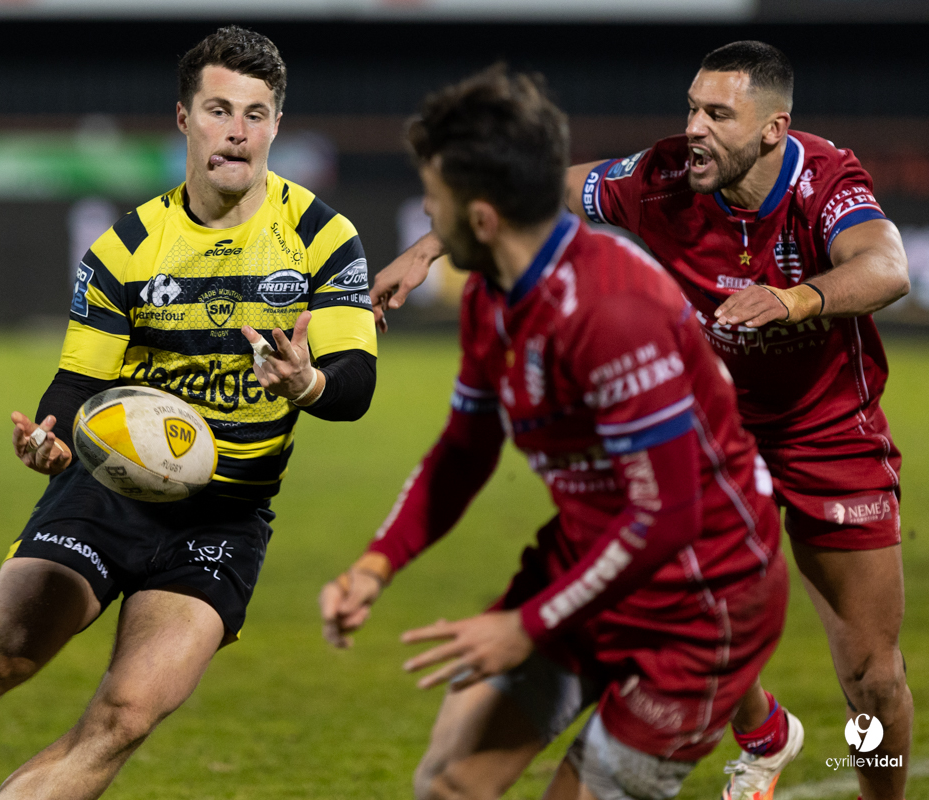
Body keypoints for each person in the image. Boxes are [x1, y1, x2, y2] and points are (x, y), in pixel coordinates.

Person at [0, 26, 377, 800]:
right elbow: (77, 381)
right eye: (219, 110)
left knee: (126, 716)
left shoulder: (322, 236)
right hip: (107, 492)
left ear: (276, 126)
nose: (237, 132)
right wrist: (51, 438)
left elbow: (355, 384)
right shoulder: (128, 246)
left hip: (225, 517)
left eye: (255, 114)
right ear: (184, 119)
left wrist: (307, 384)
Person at [369, 40, 912, 800]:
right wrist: (429, 249)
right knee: (681, 600)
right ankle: (763, 732)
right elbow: (538, 190)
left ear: (772, 129)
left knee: (870, 676)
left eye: (717, 114)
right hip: (712, 435)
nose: (693, 127)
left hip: (827, 436)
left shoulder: (823, 182)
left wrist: (795, 299)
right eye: (691, 108)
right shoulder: (660, 178)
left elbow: (888, 267)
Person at [321, 64, 789, 800]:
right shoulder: (490, 297)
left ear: (483, 219)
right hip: (585, 567)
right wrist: (377, 564)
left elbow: (667, 515)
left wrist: (526, 626)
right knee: (448, 784)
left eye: (435, 198)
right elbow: (464, 451)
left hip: (701, 606)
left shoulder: (613, 312)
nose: (426, 213)